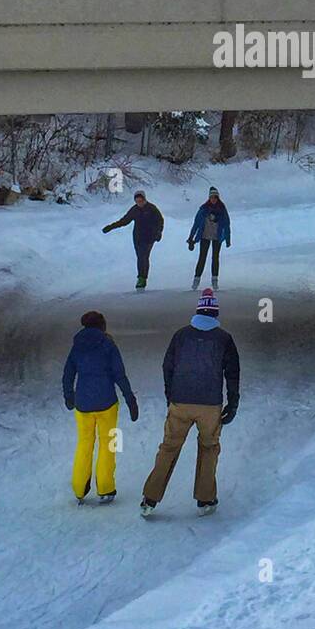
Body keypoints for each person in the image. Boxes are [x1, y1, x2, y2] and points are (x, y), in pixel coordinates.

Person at [140, 288, 240, 517]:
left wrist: (170, 395)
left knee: (169, 447)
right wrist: (232, 404)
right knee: (208, 448)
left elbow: (168, 366)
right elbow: (232, 373)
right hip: (210, 405)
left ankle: (150, 499)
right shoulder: (224, 338)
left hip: (180, 401)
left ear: (197, 311)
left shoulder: (181, 335)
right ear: (215, 313)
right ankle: (205, 500)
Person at [62, 310, 139, 505]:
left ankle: (79, 488)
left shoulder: (77, 346)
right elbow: (119, 374)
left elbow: (68, 374)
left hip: (83, 404)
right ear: (102, 325)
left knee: (84, 444)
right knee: (110, 443)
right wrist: (130, 399)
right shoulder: (108, 345)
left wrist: (69, 396)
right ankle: (106, 488)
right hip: (107, 403)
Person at [102, 190, 164, 290]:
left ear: (144, 199)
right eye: (137, 201)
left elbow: (160, 221)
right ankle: (141, 277)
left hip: (149, 236)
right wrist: (110, 227)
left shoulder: (152, 208)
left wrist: (158, 232)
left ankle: (142, 278)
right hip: (138, 237)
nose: (139, 203)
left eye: (141, 201)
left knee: (143, 256)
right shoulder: (134, 210)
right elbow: (124, 221)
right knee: (140, 256)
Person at [187, 186, 230, 290]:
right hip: (204, 236)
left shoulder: (222, 209)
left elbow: (226, 224)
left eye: (215, 197)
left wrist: (228, 239)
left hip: (217, 237)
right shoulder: (203, 209)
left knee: (215, 258)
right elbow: (196, 224)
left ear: (218, 198)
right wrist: (191, 238)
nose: (213, 199)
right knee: (202, 257)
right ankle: (196, 280)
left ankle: (214, 280)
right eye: (212, 197)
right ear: (209, 198)